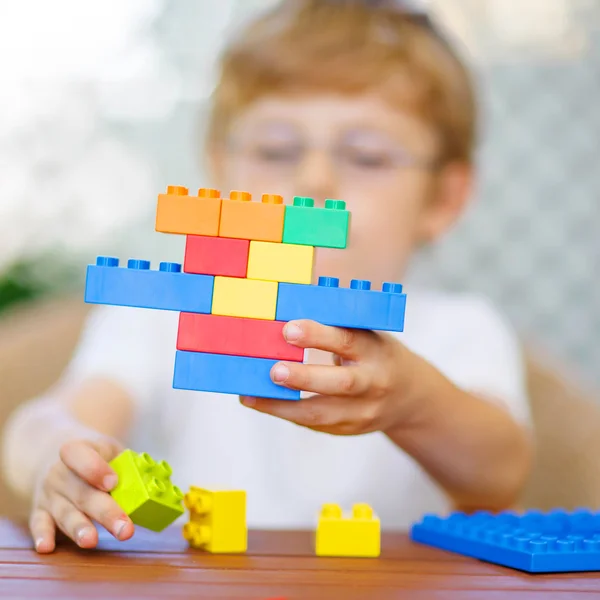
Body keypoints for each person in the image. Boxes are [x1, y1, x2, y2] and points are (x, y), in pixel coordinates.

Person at [2, 0, 532, 554]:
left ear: (444, 199)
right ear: (219, 171)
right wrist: (60, 452)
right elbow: (45, 419)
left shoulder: (462, 330)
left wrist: (417, 402)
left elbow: (500, 473)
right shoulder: (162, 311)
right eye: (276, 150)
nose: (313, 179)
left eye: (368, 156)